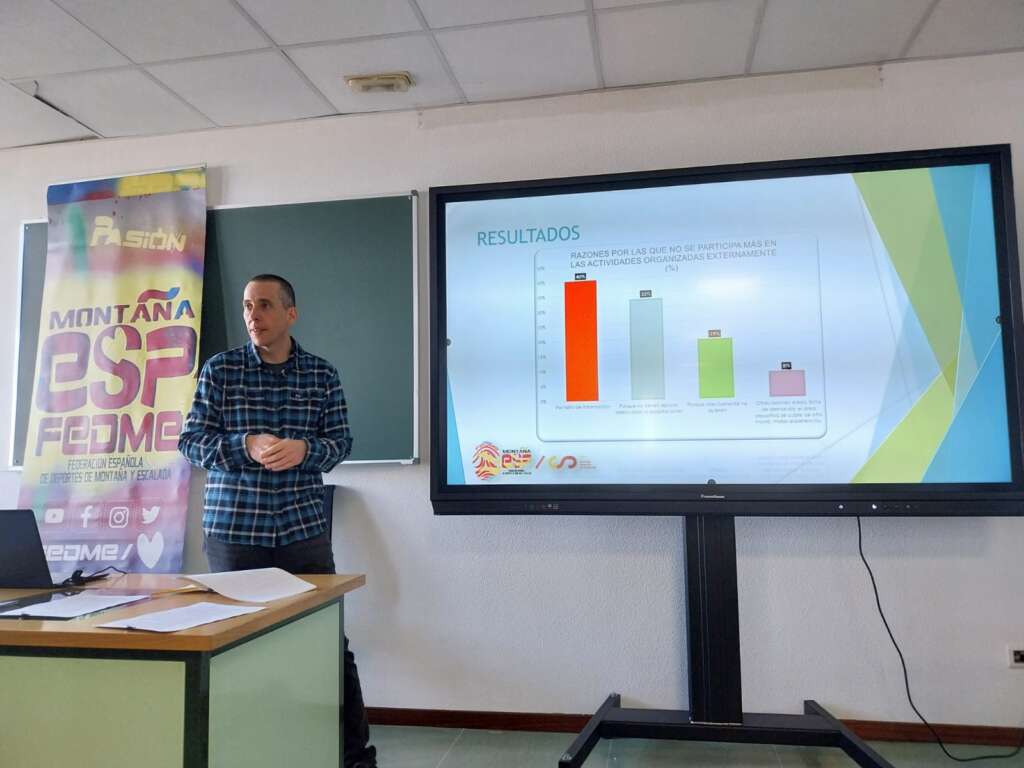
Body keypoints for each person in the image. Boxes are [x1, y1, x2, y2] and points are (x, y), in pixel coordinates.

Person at [178, 273, 376, 768]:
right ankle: (244, 752)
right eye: (247, 306)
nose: (252, 315)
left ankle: (354, 757)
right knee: (234, 646)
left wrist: (308, 449)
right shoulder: (220, 371)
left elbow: (341, 443)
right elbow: (191, 442)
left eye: (264, 305)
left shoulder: (321, 374)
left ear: (290, 313)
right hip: (234, 533)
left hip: (303, 531)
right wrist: (244, 445)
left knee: (330, 645)